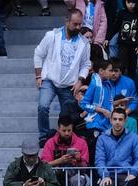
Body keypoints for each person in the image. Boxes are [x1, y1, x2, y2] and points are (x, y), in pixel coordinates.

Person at [34, 10, 91, 144]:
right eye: (75, 24)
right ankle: (43, 137)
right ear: (67, 22)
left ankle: (63, 137)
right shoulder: (52, 35)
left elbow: (86, 64)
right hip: (50, 80)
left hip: (69, 85)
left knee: (66, 115)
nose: (78, 27)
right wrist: (38, 76)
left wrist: (80, 80)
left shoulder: (84, 43)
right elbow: (38, 53)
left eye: (80, 24)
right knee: (42, 106)